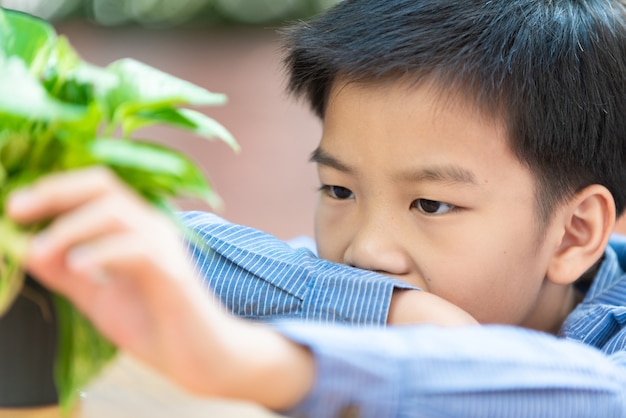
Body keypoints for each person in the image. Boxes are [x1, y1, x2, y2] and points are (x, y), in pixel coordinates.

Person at [6, 0, 626, 416]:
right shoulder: (351, 289)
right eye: (339, 191)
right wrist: (392, 312)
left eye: (431, 204)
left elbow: (593, 395)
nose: (364, 249)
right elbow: (188, 254)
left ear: (575, 233)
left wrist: (271, 366)